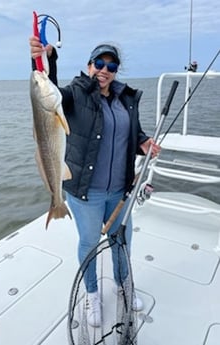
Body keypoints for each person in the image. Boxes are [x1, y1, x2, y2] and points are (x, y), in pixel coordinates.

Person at [30, 37, 161, 327]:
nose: (104, 69)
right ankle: (91, 293)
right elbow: (47, 95)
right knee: (89, 244)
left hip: (120, 190)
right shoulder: (76, 94)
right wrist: (44, 60)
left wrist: (144, 142)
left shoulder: (126, 99)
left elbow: (133, 132)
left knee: (121, 241)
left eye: (111, 65)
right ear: (89, 66)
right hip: (86, 192)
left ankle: (123, 285)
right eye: (99, 63)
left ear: (116, 70)